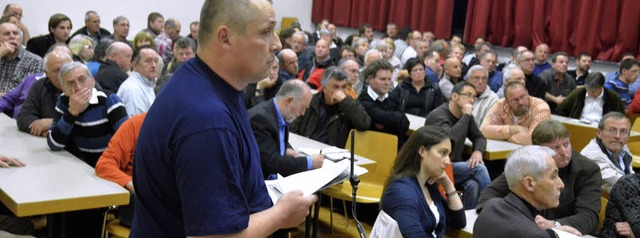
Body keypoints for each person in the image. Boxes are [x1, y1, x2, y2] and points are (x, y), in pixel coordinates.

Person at [130, 0, 317, 237]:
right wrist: (281, 215)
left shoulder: (206, 85)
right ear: (225, 38)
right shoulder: (207, 120)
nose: (277, 44)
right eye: (266, 32)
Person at [477, 120, 602, 235]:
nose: (564, 152)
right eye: (555, 148)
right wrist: (519, 222)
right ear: (538, 149)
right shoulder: (527, 164)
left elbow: (589, 216)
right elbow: (489, 195)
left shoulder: (587, 169)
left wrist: (553, 225)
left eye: (566, 144)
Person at [381, 126, 466, 237]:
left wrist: (448, 184)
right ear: (422, 151)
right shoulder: (401, 191)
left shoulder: (428, 186)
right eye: (443, 153)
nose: (448, 161)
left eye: (449, 155)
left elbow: (459, 221)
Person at [474, 145, 568, 237]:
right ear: (529, 184)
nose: (561, 184)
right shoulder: (534, 234)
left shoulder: (490, 206)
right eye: (553, 176)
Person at [424, 82, 490, 209]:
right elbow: (448, 140)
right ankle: (493, 207)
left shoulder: (466, 116)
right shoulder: (438, 115)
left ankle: (465, 220)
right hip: (435, 166)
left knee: (472, 185)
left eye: (474, 97)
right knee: (479, 168)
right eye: (468, 95)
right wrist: (465, 116)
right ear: (454, 96)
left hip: (453, 166)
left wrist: (478, 152)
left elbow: (479, 137)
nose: (471, 100)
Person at [249, 80, 323, 178]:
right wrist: (309, 162)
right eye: (303, 108)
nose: (303, 113)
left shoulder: (276, 113)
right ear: (289, 101)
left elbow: (272, 137)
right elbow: (272, 163)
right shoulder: (260, 119)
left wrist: (286, 148)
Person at [290, 66, 371, 148]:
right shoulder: (312, 101)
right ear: (324, 87)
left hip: (333, 153)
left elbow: (364, 124)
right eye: (335, 87)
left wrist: (344, 101)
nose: (340, 91)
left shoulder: (349, 105)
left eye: (343, 87)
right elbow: (294, 127)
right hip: (306, 147)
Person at [95, 113, 146, 227]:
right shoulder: (135, 125)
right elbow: (104, 165)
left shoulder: (187, 133)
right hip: (138, 203)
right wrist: (130, 183)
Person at [17, 49, 72, 136]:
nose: (63, 73)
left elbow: (89, 124)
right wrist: (48, 133)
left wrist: (53, 123)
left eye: (66, 68)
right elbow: (24, 117)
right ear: (47, 73)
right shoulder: (40, 85)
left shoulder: (85, 85)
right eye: (57, 70)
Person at [481, 81, 551, 145]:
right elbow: (483, 130)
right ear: (507, 101)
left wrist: (501, 135)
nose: (520, 102)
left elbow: (533, 139)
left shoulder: (540, 107)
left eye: (522, 97)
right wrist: (513, 129)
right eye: (515, 100)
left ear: (527, 92)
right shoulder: (500, 104)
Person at [358, 59, 409, 146]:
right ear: (370, 79)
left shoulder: (393, 96)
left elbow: (405, 124)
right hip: (372, 147)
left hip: (395, 147)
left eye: (389, 79)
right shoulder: (363, 100)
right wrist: (397, 119)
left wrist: (385, 123)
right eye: (382, 79)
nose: (387, 83)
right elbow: (399, 119)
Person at [580, 112, 634, 193]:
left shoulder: (623, 148)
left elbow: (631, 177)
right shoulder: (591, 155)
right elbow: (621, 183)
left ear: (628, 136)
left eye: (623, 131)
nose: (618, 136)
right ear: (599, 133)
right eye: (612, 130)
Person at [556, 72, 624, 122]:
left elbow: (621, 117)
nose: (590, 93)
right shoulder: (577, 94)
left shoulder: (613, 97)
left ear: (601, 87)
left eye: (593, 90)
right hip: (578, 126)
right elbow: (560, 111)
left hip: (602, 130)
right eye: (588, 89)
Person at [0, 22, 44, 94]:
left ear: (20, 38)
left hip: (16, 104)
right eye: (7, 34)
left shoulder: (35, 61)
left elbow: (26, 93)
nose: (12, 37)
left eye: (15, 33)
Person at [117, 47, 159, 116]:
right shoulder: (132, 90)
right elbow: (138, 125)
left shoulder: (151, 83)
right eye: (148, 61)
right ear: (135, 65)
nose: (154, 65)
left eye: (156, 61)